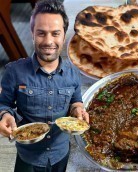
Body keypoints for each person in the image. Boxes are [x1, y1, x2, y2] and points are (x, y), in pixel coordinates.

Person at [0, 0, 89, 171]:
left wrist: (78, 109)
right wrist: (4, 115)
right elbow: (4, 104)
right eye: (41, 33)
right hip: (28, 154)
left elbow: (76, 100)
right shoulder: (14, 71)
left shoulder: (74, 74)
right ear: (32, 33)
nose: (48, 41)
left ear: (64, 35)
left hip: (60, 152)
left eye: (55, 33)